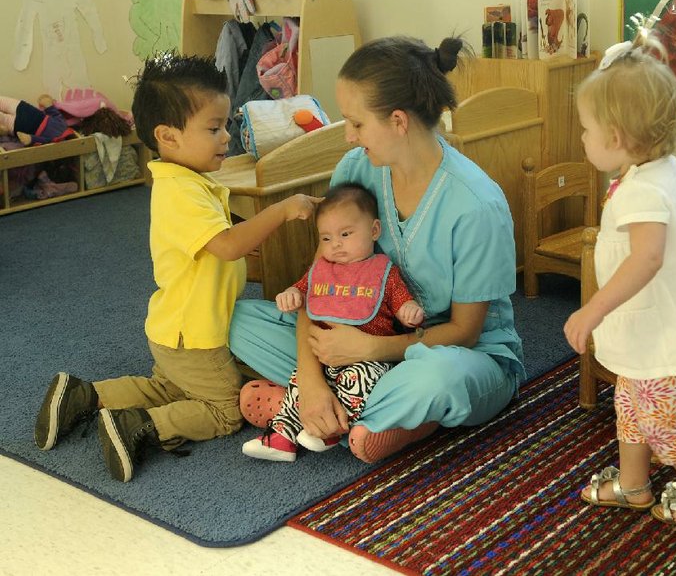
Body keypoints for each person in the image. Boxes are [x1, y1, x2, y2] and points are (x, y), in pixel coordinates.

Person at [229, 35, 525, 464]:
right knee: (236, 320)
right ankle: (345, 409)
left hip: (456, 354)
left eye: (356, 123)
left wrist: (369, 351)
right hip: (353, 343)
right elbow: (320, 283)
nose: (348, 137)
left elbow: (465, 332)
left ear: (399, 121)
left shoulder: (477, 205)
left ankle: (301, 413)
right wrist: (312, 377)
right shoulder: (355, 172)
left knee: (437, 381)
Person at [33, 52, 320, 482]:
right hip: (196, 334)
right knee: (223, 411)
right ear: (167, 136)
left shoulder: (187, 182)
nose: (226, 137)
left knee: (168, 388)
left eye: (225, 125)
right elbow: (224, 246)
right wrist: (281, 211)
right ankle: (142, 427)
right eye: (213, 128)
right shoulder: (181, 194)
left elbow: (221, 248)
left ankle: (85, 396)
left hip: (176, 328)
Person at [563, 16, 676, 525]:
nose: (584, 139)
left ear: (615, 136)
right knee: (630, 409)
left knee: (660, 422)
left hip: (667, 337)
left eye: (587, 131)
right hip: (648, 329)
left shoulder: (643, 190)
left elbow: (647, 258)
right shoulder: (653, 168)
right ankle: (634, 485)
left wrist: (591, 309)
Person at [241, 183, 424, 461]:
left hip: (371, 360)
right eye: (326, 238)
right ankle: (282, 437)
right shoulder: (323, 270)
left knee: (359, 380)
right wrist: (291, 295)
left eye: (345, 234)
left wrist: (409, 311)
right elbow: (303, 289)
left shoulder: (382, 271)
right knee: (300, 380)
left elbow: (400, 301)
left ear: (374, 231)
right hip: (324, 357)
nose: (335, 244)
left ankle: (329, 429)